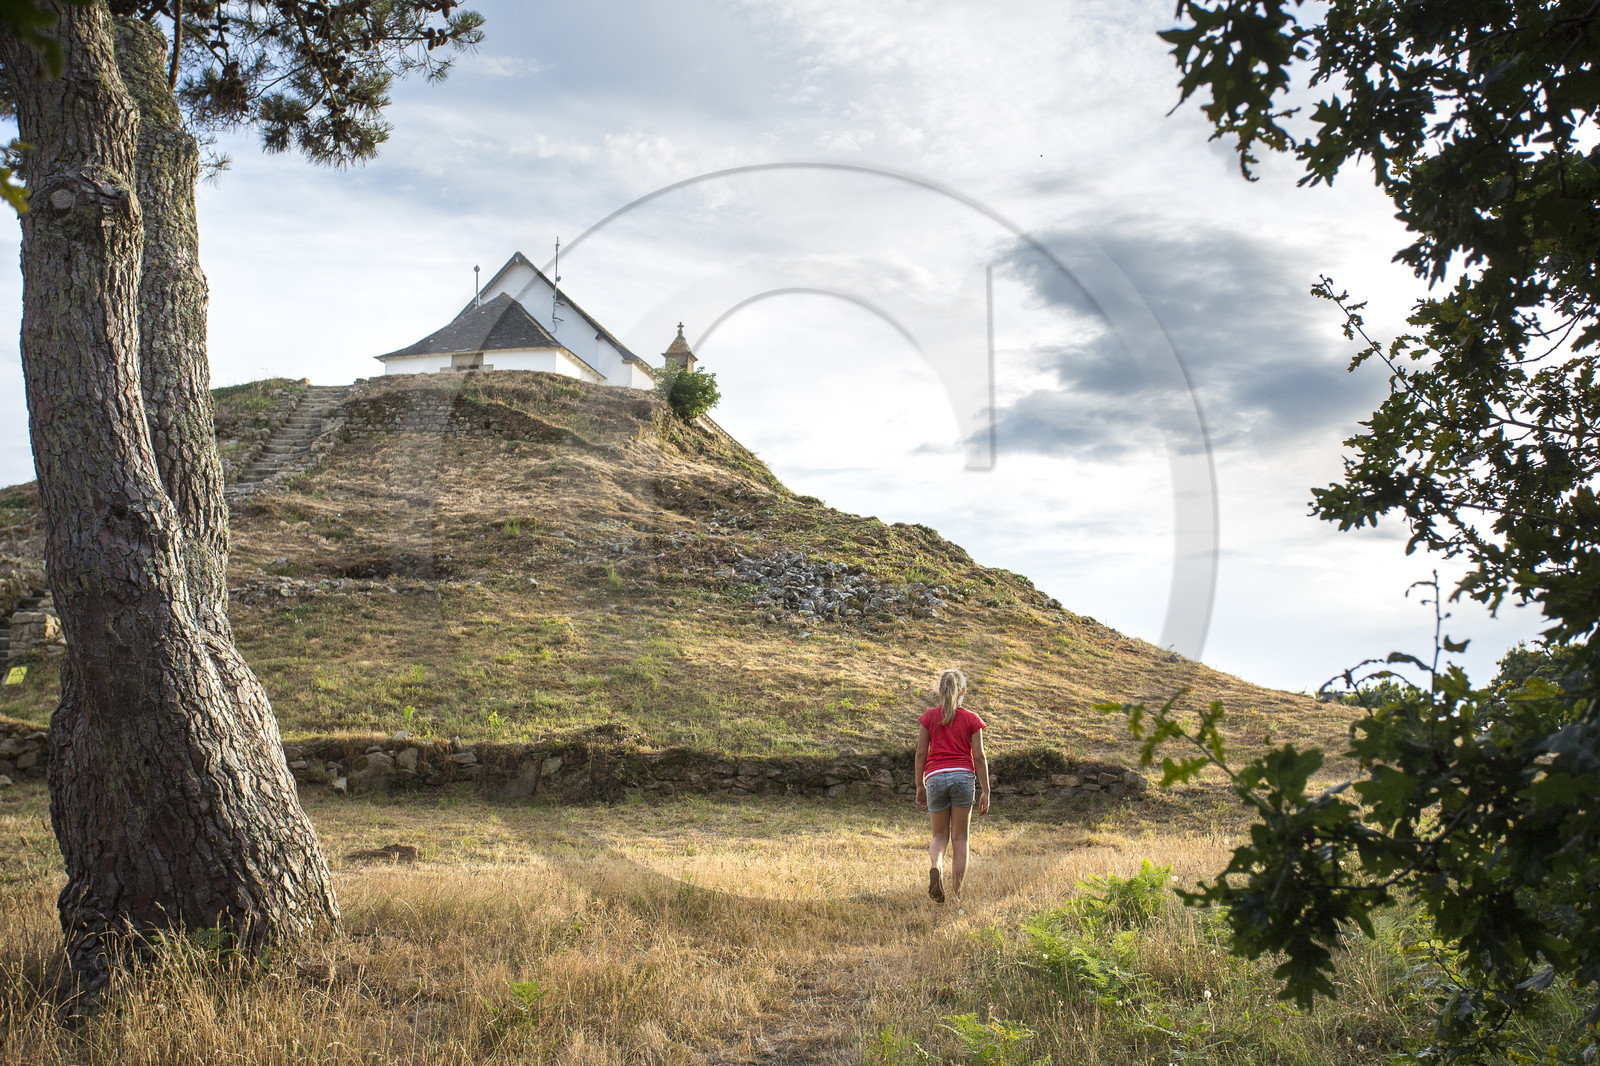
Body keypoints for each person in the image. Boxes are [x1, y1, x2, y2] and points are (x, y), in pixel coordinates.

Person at [914, 668, 990, 903]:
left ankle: (936, 866)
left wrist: (919, 785)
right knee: (960, 839)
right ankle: (955, 895)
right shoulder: (971, 719)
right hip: (963, 778)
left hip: (935, 777)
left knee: (939, 835)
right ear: (963, 691)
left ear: (940, 690)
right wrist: (986, 790)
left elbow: (920, 754)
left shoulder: (928, 717)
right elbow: (979, 757)